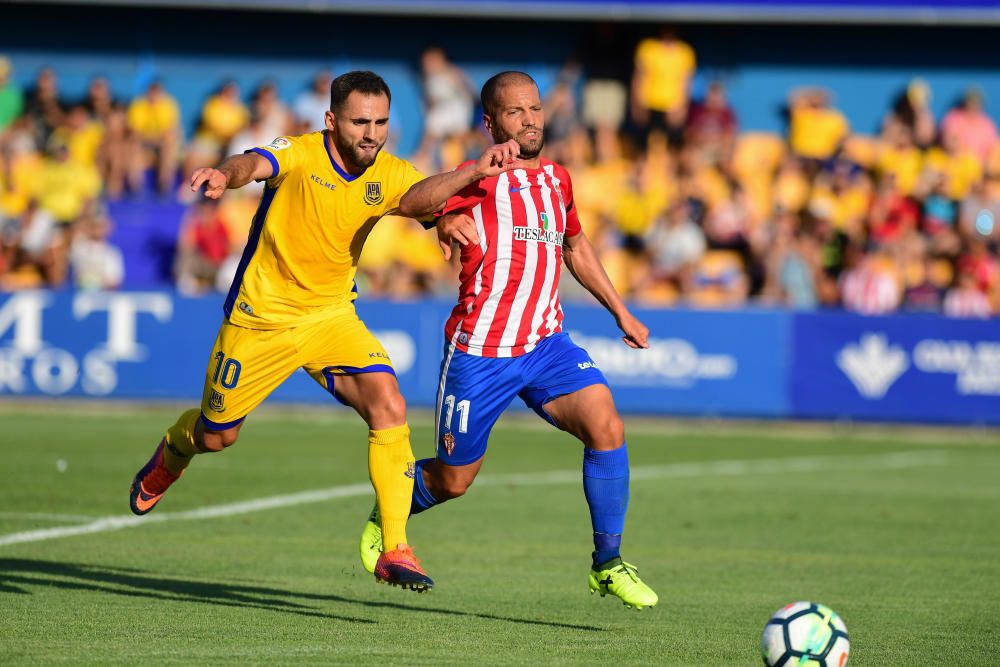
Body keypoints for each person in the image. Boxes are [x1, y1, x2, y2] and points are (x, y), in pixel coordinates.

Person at [127, 71, 517, 592]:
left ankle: (395, 547)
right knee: (218, 435)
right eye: (360, 121)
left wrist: (459, 190)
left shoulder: (388, 171)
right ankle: (173, 452)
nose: (371, 133)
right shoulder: (302, 153)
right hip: (260, 320)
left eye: (380, 122)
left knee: (389, 405)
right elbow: (253, 162)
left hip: (330, 318)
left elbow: (421, 197)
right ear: (332, 120)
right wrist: (224, 174)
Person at [358, 71, 659, 609]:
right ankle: (390, 514)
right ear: (491, 121)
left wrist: (622, 311)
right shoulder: (480, 177)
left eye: (535, 109)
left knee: (607, 425)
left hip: (546, 344)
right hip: (481, 350)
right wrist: (457, 196)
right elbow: (413, 201)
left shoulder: (557, 181)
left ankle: (607, 564)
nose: (529, 120)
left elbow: (576, 246)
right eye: (515, 112)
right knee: (454, 480)